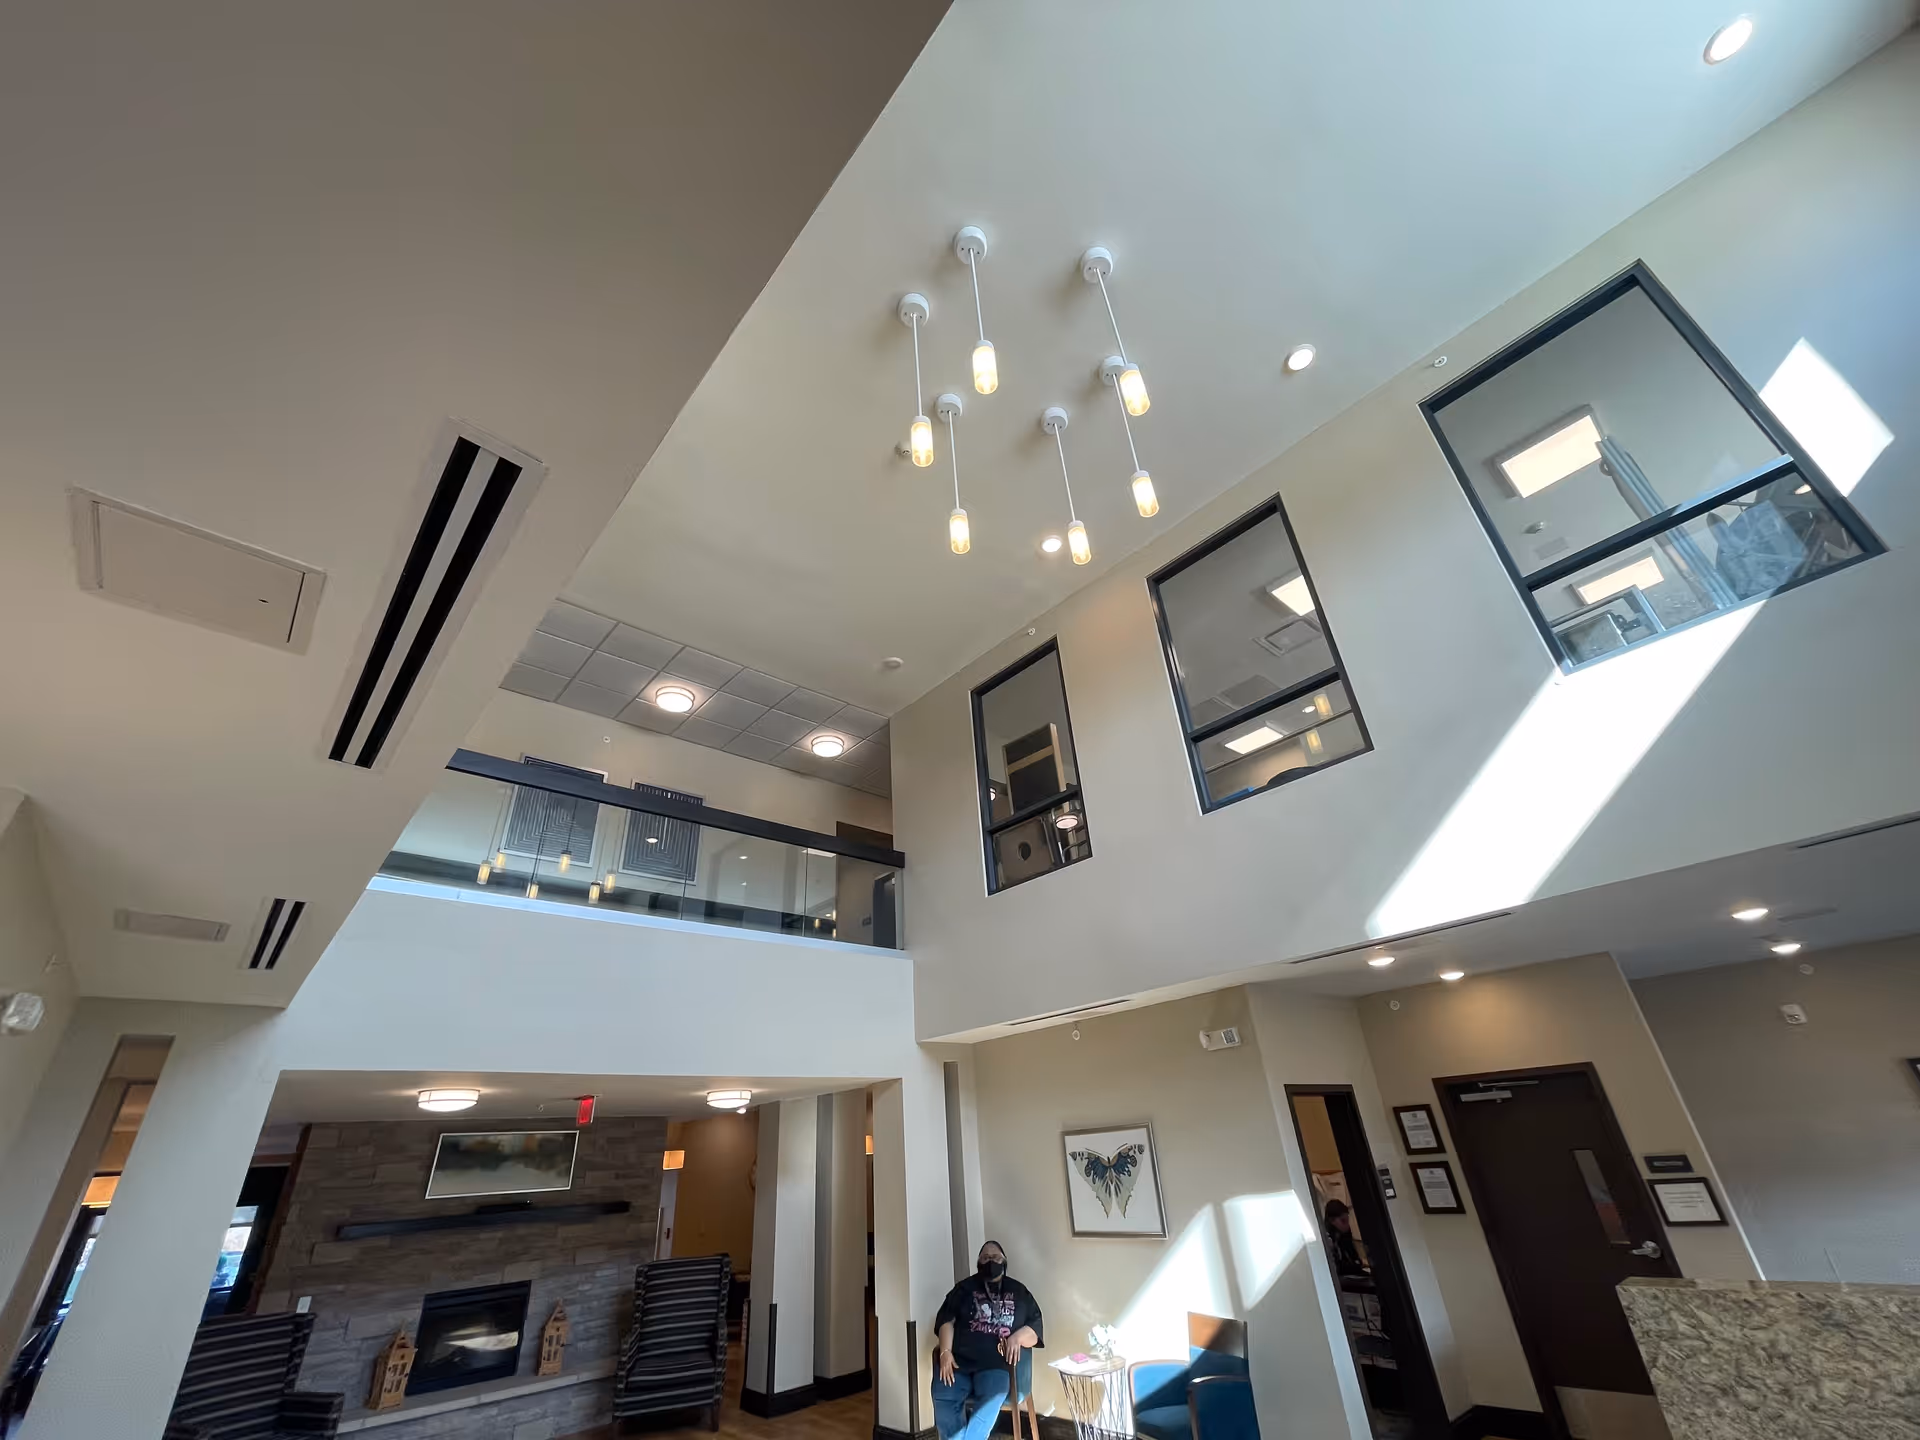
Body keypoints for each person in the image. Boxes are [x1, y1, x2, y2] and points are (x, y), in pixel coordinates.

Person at [933, 1240, 1043, 1440]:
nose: (990, 1261)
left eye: (995, 1257)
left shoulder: (1019, 1292)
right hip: (958, 1362)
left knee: (994, 1394)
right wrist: (945, 1352)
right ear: (978, 1263)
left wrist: (1016, 1338)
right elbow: (945, 1320)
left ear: (1005, 1262)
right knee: (944, 1395)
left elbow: (1035, 1330)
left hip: (995, 1365)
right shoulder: (964, 1288)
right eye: (985, 1257)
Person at [1324, 1198, 1370, 1279]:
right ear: (1331, 1221)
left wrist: (1358, 1262)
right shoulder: (1326, 1238)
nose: (1347, 1225)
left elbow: (1352, 1254)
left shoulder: (1345, 1233)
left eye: (1347, 1220)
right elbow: (1337, 1267)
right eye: (1343, 1221)